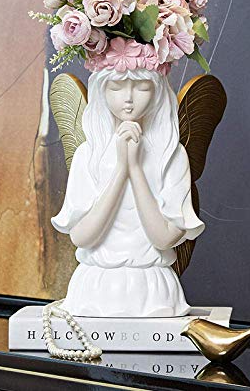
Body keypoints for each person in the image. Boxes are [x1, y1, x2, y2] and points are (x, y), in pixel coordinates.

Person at [52, 67, 204, 317]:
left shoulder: (171, 155)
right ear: (101, 90)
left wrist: (135, 167)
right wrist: (121, 168)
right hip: (95, 286)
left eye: (142, 87)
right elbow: (81, 237)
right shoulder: (88, 155)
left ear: (158, 91)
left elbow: (164, 239)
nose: (128, 98)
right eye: (116, 87)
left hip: (153, 287)